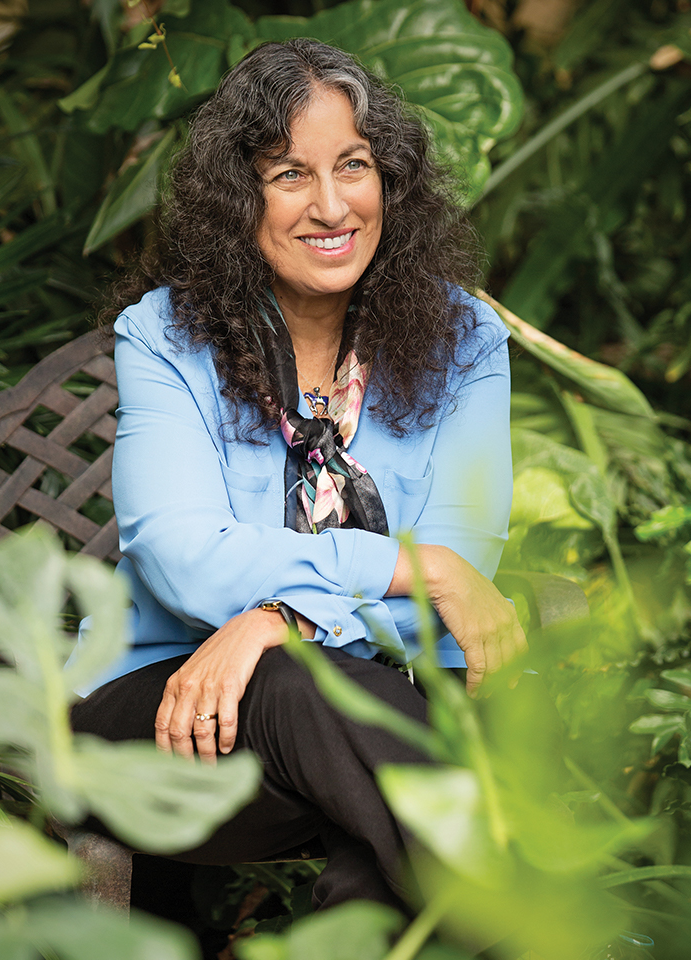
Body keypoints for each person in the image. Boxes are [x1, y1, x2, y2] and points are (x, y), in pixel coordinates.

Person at [70, 38, 525, 914]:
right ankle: (532, 917)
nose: (331, 205)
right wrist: (411, 568)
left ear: (388, 179)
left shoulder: (466, 341)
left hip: (365, 724)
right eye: (289, 174)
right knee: (311, 696)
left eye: (353, 165)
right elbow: (184, 556)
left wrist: (282, 620)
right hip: (170, 726)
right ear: (239, 197)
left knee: (359, 783)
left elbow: (469, 560)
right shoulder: (166, 337)